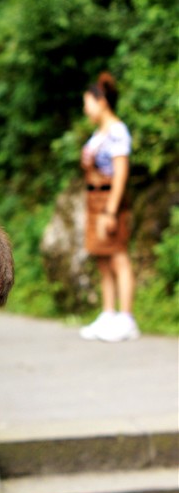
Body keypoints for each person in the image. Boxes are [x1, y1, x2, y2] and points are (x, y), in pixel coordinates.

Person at [79, 72, 140, 342]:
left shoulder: (117, 131)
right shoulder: (98, 133)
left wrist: (111, 211)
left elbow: (121, 173)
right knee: (103, 259)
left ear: (101, 101)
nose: (85, 108)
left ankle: (126, 318)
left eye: (88, 102)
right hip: (94, 199)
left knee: (118, 256)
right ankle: (108, 313)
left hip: (109, 201)